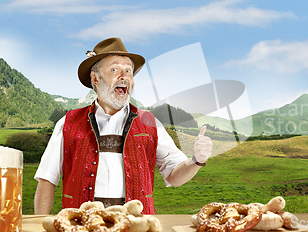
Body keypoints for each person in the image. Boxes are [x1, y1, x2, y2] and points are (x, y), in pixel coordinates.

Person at [34, 37, 213, 215]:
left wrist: (196, 160)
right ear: (95, 78)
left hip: (137, 227)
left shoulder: (150, 123)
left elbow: (174, 176)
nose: (124, 76)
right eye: (114, 69)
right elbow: (47, 180)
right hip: (81, 226)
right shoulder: (68, 123)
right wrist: (38, 225)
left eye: (128, 70)